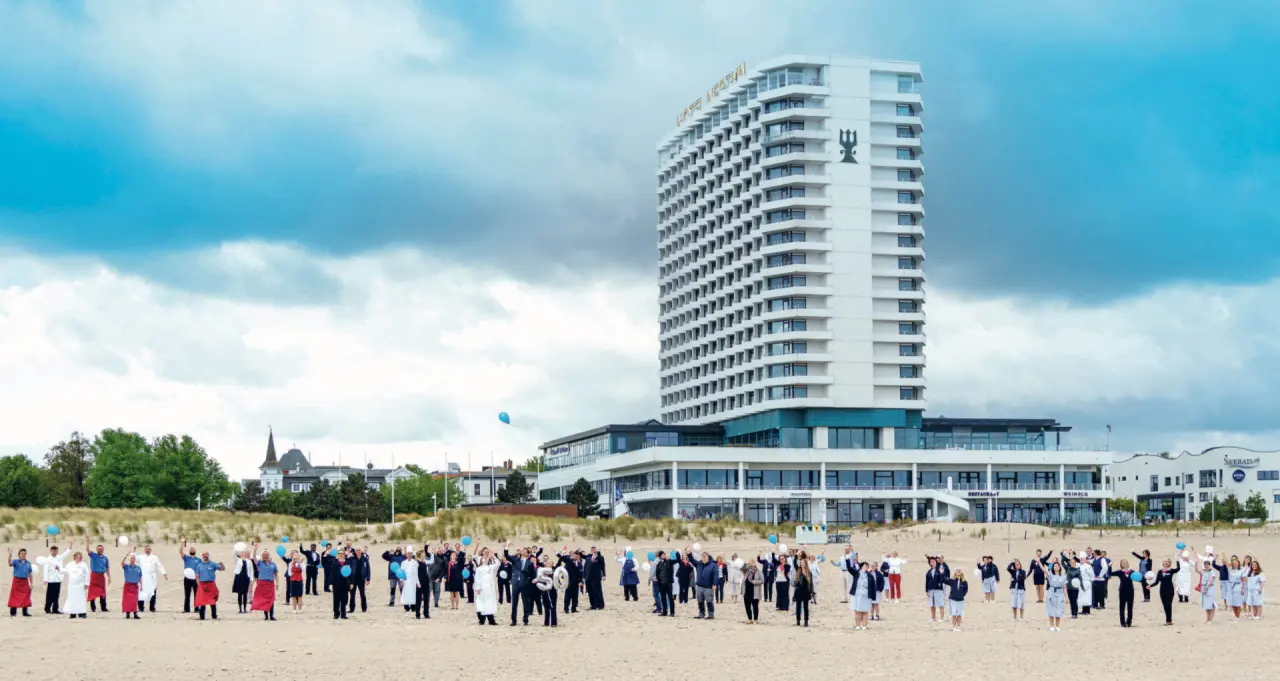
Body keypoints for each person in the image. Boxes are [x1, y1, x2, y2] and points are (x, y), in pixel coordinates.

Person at [504, 543, 535, 626]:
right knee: (514, 603)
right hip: (515, 583)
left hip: (525, 585)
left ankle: (525, 620)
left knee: (526, 603)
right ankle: (514, 620)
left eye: (525, 550)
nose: (522, 551)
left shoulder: (530, 563)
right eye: (522, 550)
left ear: (528, 553)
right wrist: (506, 546)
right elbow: (506, 556)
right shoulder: (515, 559)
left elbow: (532, 574)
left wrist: (531, 581)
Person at [685, 546, 716, 620]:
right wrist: (689, 553)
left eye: (705, 556)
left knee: (709, 601)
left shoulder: (713, 565)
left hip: (708, 587)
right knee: (700, 601)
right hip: (699, 586)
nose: (703, 557)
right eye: (702, 556)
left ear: (708, 557)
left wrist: (714, 584)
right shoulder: (699, 564)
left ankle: (711, 615)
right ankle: (701, 614)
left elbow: (716, 575)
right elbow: (692, 560)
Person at [135, 546, 166, 613]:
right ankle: (141, 607)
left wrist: (164, 573)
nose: (147, 550)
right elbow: (133, 558)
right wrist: (134, 551)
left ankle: (152, 607)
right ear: (144, 550)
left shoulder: (154, 557)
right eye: (146, 549)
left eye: (149, 549)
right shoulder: (141, 557)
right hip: (143, 576)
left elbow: (159, 566)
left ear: (151, 550)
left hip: (151, 576)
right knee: (141, 591)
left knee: (153, 591)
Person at [193, 551, 224, 620]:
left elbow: (222, 569)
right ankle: (202, 616)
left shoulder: (213, 564)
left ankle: (214, 615)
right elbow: (197, 576)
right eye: (203, 555)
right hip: (202, 584)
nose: (205, 556)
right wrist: (198, 584)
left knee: (212, 601)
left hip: (211, 584)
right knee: (202, 601)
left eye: (206, 554)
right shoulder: (199, 565)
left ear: (208, 555)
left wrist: (222, 564)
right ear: (202, 556)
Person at [84, 537, 111, 613]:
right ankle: (93, 607)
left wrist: (109, 577)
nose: (100, 550)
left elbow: (107, 568)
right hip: (94, 575)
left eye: (101, 549)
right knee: (92, 591)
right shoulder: (93, 555)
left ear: (103, 550)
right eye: (99, 549)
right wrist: (87, 540)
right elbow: (87, 549)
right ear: (97, 550)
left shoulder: (105, 558)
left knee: (103, 592)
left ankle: (103, 607)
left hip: (101, 576)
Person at [474, 548, 499, 626]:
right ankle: (481, 620)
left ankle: (491, 620)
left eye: (486, 559)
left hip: (489, 588)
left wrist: (494, 556)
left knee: (489, 603)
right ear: (481, 561)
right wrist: (477, 587)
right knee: (481, 603)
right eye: (483, 559)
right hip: (481, 588)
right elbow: (477, 579)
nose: (484, 560)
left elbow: (498, 564)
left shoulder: (491, 567)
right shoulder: (479, 569)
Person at [1151, 557, 1180, 625]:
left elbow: (1178, 569)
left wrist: (1177, 560)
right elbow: (1157, 582)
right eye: (1165, 561)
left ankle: (1169, 620)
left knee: (1168, 604)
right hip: (1162, 590)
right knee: (1164, 605)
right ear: (1163, 563)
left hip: (1170, 589)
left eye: (1167, 561)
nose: (1166, 562)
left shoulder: (1171, 570)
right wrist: (1150, 586)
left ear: (1169, 563)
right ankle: (1168, 619)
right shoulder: (1160, 571)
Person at [1109, 559, 1136, 627]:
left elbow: (1139, 578)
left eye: (1125, 562)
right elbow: (1110, 573)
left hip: (1130, 591)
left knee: (1130, 607)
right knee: (1122, 607)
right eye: (1122, 563)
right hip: (1122, 591)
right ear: (1121, 565)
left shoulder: (1132, 572)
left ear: (1128, 563)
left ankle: (1129, 621)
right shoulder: (1120, 572)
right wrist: (1110, 566)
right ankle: (1122, 622)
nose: (1124, 563)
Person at [252, 550, 278, 621]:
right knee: (264, 600)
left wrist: (277, 583)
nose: (265, 556)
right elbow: (254, 558)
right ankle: (266, 616)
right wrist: (255, 550)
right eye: (263, 555)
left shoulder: (273, 564)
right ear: (262, 556)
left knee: (271, 600)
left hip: (270, 584)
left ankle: (271, 615)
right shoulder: (260, 563)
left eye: (266, 555)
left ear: (268, 556)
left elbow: (276, 573)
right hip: (262, 583)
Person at [40, 544, 67, 615]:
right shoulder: (48, 559)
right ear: (50, 551)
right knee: (49, 595)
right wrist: (45, 579)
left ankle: (55, 609)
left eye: (55, 551)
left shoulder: (59, 558)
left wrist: (70, 546)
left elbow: (65, 554)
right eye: (53, 551)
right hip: (51, 580)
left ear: (57, 551)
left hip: (58, 579)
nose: (54, 552)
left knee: (56, 595)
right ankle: (47, 609)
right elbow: (45, 570)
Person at [63, 551, 90, 619]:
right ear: (75, 557)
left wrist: (86, 583)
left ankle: (82, 613)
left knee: (81, 599)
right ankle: (73, 613)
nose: (80, 557)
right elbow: (65, 571)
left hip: (80, 585)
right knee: (72, 599)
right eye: (78, 556)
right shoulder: (70, 564)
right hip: (72, 585)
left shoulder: (83, 564)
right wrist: (58, 569)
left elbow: (87, 574)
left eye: (80, 556)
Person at [8, 548, 33, 617]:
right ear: (19, 555)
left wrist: (31, 583)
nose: (23, 555)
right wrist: (10, 555)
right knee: (14, 596)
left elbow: (30, 573)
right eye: (22, 553)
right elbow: (9, 563)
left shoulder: (28, 563)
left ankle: (25, 613)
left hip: (25, 581)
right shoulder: (16, 561)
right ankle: (13, 613)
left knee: (26, 596)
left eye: (25, 554)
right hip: (16, 581)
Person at [534, 555, 558, 628]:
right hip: (544, 591)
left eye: (549, 563)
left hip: (552, 591)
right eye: (547, 562)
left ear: (552, 564)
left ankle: (553, 623)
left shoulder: (554, 571)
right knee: (546, 607)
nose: (547, 563)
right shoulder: (542, 571)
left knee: (553, 607)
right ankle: (546, 622)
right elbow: (538, 578)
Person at [179, 539, 202, 613]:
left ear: (195, 551)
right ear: (189, 551)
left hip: (195, 579)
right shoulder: (186, 558)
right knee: (187, 594)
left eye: (193, 549)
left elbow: (201, 569)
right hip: (187, 579)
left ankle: (197, 609)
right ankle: (186, 609)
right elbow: (181, 551)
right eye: (191, 549)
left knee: (196, 594)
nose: (192, 549)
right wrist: (182, 543)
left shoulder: (198, 560)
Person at [849, 562, 873, 630]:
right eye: (865, 566)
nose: (866, 567)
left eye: (867, 566)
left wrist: (873, 596)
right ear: (861, 566)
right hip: (857, 594)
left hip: (866, 595)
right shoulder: (856, 573)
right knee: (857, 611)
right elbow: (849, 568)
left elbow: (873, 586)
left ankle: (864, 626)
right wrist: (848, 560)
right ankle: (857, 625)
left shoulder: (869, 575)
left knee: (865, 611)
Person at [348, 547, 371, 613]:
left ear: (361, 551)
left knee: (362, 594)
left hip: (361, 579)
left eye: (359, 550)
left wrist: (368, 579)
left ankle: (364, 608)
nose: (358, 551)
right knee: (352, 594)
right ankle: (351, 609)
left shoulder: (365, 559)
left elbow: (368, 569)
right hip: (353, 579)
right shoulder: (352, 559)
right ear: (355, 551)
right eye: (356, 550)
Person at [232, 547, 254, 614]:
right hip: (239, 577)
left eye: (244, 552)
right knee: (239, 593)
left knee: (245, 593)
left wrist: (251, 579)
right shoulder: (238, 560)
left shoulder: (249, 561)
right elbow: (234, 554)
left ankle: (244, 608)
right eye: (242, 553)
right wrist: (236, 548)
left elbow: (251, 571)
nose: (243, 554)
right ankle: (240, 609)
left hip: (246, 577)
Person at [120, 552, 142, 620]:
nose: (132, 560)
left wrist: (141, 585)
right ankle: (127, 613)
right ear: (130, 559)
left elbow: (140, 577)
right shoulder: (126, 567)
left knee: (134, 600)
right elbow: (122, 563)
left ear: (135, 560)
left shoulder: (138, 568)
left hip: (135, 585)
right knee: (127, 600)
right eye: (131, 558)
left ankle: (135, 613)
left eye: (133, 558)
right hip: (128, 585)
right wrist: (125, 556)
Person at [1045, 561, 1066, 631]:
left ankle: (1057, 626)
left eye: (1057, 566)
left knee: (1058, 610)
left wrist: (1067, 597)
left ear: (1060, 567)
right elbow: (1044, 570)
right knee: (1051, 609)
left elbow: (1064, 587)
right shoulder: (1051, 574)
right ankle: (1051, 625)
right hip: (1051, 592)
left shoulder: (1063, 576)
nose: (1056, 567)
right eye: (1054, 566)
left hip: (1060, 593)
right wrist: (1039, 562)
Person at [925, 556, 947, 623]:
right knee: (932, 604)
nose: (932, 562)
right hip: (931, 590)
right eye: (931, 562)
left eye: (934, 561)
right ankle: (933, 618)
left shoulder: (940, 569)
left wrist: (942, 573)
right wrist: (927, 590)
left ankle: (942, 617)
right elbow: (927, 581)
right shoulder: (929, 571)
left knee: (940, 604)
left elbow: (943, 577)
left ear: (936, 562)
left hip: (938, 589)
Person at [654, 550, 676, 617]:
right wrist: (657, 578)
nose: (663, 555)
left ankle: (672, 612)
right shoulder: (659, 563)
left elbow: (677, 560)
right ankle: (664, 612)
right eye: (662, 554)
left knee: (670, 598)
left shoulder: (669, 562)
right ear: (660, 556)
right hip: (661, 583)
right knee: (663, 598)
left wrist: (676, 553)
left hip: (668, 583)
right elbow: (657, 572)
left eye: (664, 554)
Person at [792, 557, 813, 627]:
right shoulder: (798, 571)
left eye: (803, 563)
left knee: (806, 607)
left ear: (805, 563)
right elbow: (794, 562)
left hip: (806, 591)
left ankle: (806, 621)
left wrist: (811, 592)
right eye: (801, 563)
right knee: (798, 607)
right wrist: (796, 555)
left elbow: (811, 583)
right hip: (798, 591)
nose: (802, 564)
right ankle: (798, 620)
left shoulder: (809, 572)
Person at [584, 546, 606, 610]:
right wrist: (584, 577)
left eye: (594, 549)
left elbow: (603, 566)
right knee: (590, 592)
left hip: (596, 577)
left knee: (598, 591)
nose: (593, 550)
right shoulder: (588, 558)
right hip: (588, 578)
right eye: (592, 549)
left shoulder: (600, 557)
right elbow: (585, 568)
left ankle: (600, 605)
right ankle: (593, 605)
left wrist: (604, 575)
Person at [399, 550, 419, 615]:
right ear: (406, 554)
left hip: (413, 580)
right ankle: (406, 607)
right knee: (406, 593)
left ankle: (413, 607)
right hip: (406, 580)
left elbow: (416, 573)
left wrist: (417, 582)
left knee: (413, 593)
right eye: (408, 553)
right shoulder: (403, 563)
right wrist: (401, 580)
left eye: (410, 553)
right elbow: (401, 572)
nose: (409, 554)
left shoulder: (415, 563)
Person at [743, 558, 762, 624]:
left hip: (755, 591)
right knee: (747, 605)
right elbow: (742, 568)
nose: (752, 563)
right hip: (746, 591)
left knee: (755, 606)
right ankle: (749, 619)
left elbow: (762, 580)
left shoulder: (758, 571)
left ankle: (756, 619)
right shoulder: (747, 570)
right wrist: (748, 563)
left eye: (753, 562)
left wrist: (756, 582)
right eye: (751, 562)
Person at [330, 554, 349, 620]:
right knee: (336, 600)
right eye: (340, 554)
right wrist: (331, 584)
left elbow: (351, 573)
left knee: (344, 600)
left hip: (345, 584)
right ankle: (336, 614)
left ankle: (343, 614)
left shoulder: (347, 563)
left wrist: (352, 582)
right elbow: (332, 573)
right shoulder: (335, 563)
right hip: (336, 584)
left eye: (342, 554)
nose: (341, 555)